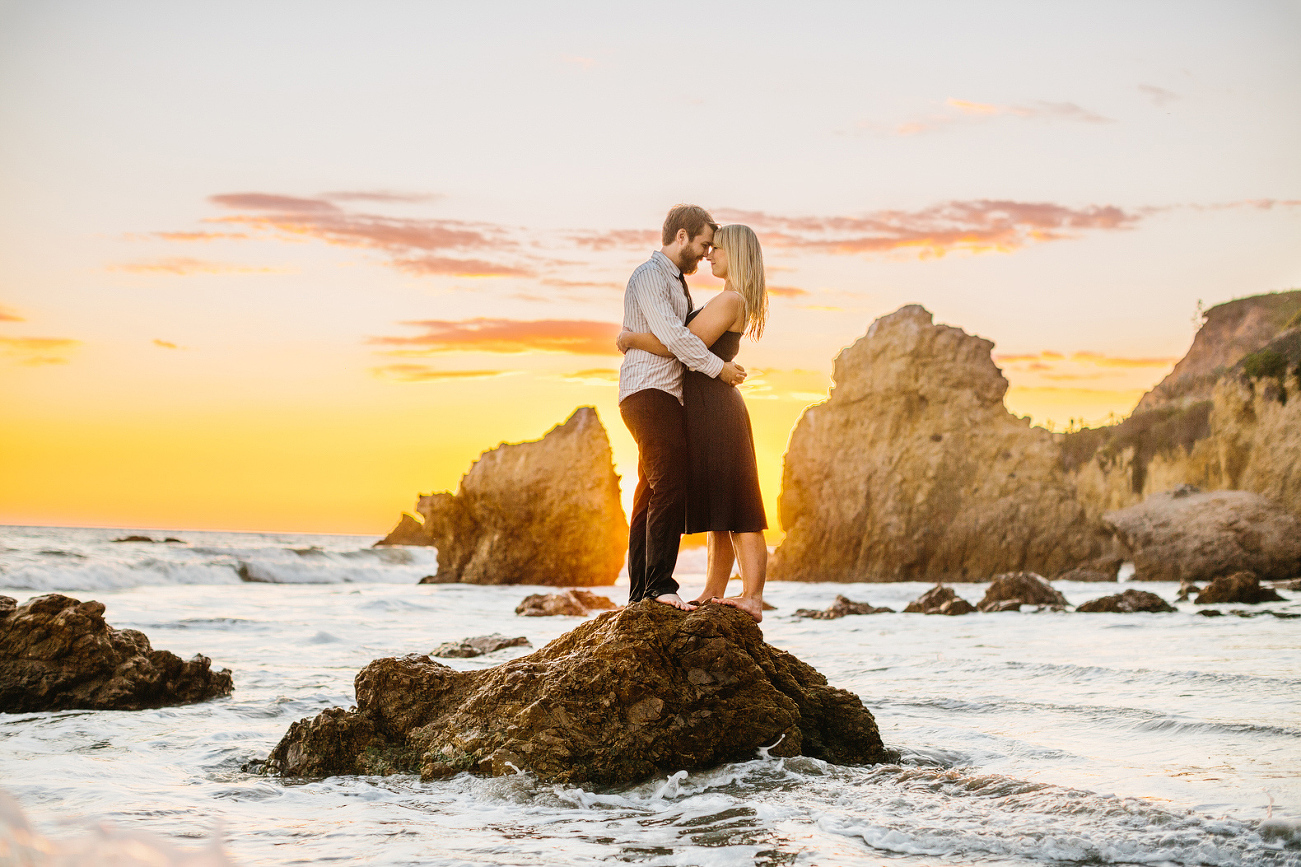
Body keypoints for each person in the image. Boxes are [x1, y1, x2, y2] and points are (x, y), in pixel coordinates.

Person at [617, 224, 769, 622]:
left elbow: (681, 345)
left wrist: (631, 338)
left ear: (735, 254)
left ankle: (753, 597)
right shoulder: (724, 298)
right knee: (718, 508)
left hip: (719, 410)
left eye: (716, 249)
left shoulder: (730, 299)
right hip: (704, 410)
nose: (709, 256)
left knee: (740, 505)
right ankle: (713, 591)